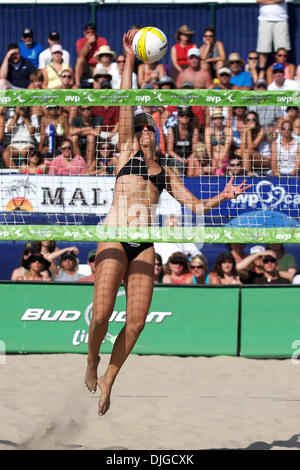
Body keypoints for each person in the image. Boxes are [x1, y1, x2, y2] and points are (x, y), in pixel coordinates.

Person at [84, 29, 251, 417]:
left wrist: (222, 197)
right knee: (103, 314)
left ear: (155, 134)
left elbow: (195, 206)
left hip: (142, 244)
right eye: (138, 126)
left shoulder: (167, 170)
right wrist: (129, 59)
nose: (142, 129)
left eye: (147, 127)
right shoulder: (126, 151)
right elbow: (126, 101)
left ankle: (109, 377)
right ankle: (92, 359)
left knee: (138, 323)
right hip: (114, 236)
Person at [256, 0, 291, 78]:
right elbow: (258, 0)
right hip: (264, 19)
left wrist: (267, 1)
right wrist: (274, 1)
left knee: (282, 50)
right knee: (263, 49)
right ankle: (261, 76)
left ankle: (284, 73)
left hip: (281, 19)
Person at [166, 106, 200, 175]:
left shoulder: (194, 130)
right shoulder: (172, 130)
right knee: (178, 164)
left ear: (190, 117)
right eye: (182, 115)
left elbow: (194, 151)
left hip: (189, 159)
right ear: (178, 117)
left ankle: (192, 182)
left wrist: (188, 160)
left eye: (187, 115)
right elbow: (170, 151)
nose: (184, 117)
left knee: (194, 161)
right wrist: (181, 160)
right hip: (175, 159)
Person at [74, 22, 109, 87]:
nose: (90, 34)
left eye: (92, 32)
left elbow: (105, 55)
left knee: (104, 61)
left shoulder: (102, 40)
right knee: (79, 60)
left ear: (95, 32)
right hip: (86, 67)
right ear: (84, 33)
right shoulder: (80, 41)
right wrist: (88, 43)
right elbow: (81, 56)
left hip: (99, 66)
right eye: (88, 32)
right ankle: (77, 84)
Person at [70, 105, 102, 172]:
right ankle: (79, 163)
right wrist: (89, 128)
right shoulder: (76, 119)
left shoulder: (97, 118)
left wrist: (79, 131)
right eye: (83, 109)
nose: (86, 111)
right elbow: (71, 131)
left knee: (91, 137)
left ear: (91, 109)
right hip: (79, 143)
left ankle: (89, 164)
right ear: (80, 110)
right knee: (74, 138)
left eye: (88, 108)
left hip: (94, 144)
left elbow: (97, 133)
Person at [240, 110, 271, 175]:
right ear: (246, 121)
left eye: (253, 119)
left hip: (266, 160)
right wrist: (246, 132)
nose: (251, 122)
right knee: (240, 152)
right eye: (248, 120)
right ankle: (247, 173)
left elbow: (251, 147)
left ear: (257, 121)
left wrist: (248, 131)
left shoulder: (262, 131)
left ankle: (246, 175)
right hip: (253, 159)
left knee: (246, 152)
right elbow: (242, 148)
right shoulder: (245, 131)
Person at [204, 107, 233, 175]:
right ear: (212, 120)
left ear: (222, 119)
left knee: (223, 171)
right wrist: (212, 160)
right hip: (213, 159)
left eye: (219, 118)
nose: (217, 120)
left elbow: (227, 148)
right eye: (215, 118)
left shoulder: (228, 130)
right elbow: (208, 147)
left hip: (225, 159)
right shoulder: (208, 130)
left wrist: (220, 160)